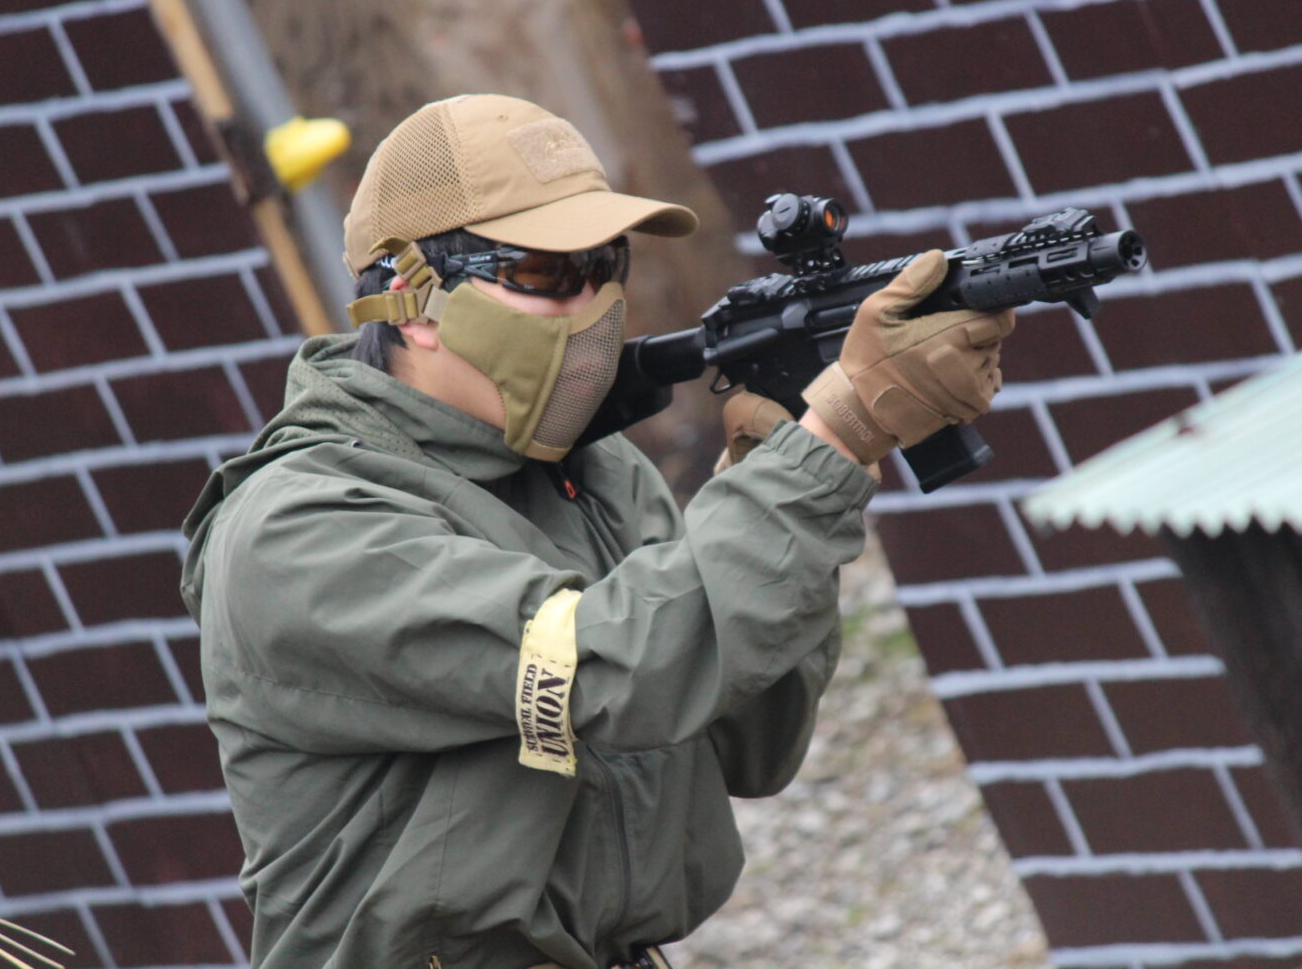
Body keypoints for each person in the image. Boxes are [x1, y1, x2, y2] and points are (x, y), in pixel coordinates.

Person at [181, 94, 1015, 969]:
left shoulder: (593, 469)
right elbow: (608, 669)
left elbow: (749, 739)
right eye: (544, 273)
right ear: (412, 301)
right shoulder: (298, 529)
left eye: (604, 264)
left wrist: (774, 482)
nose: (592, 305)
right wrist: (828, 444)